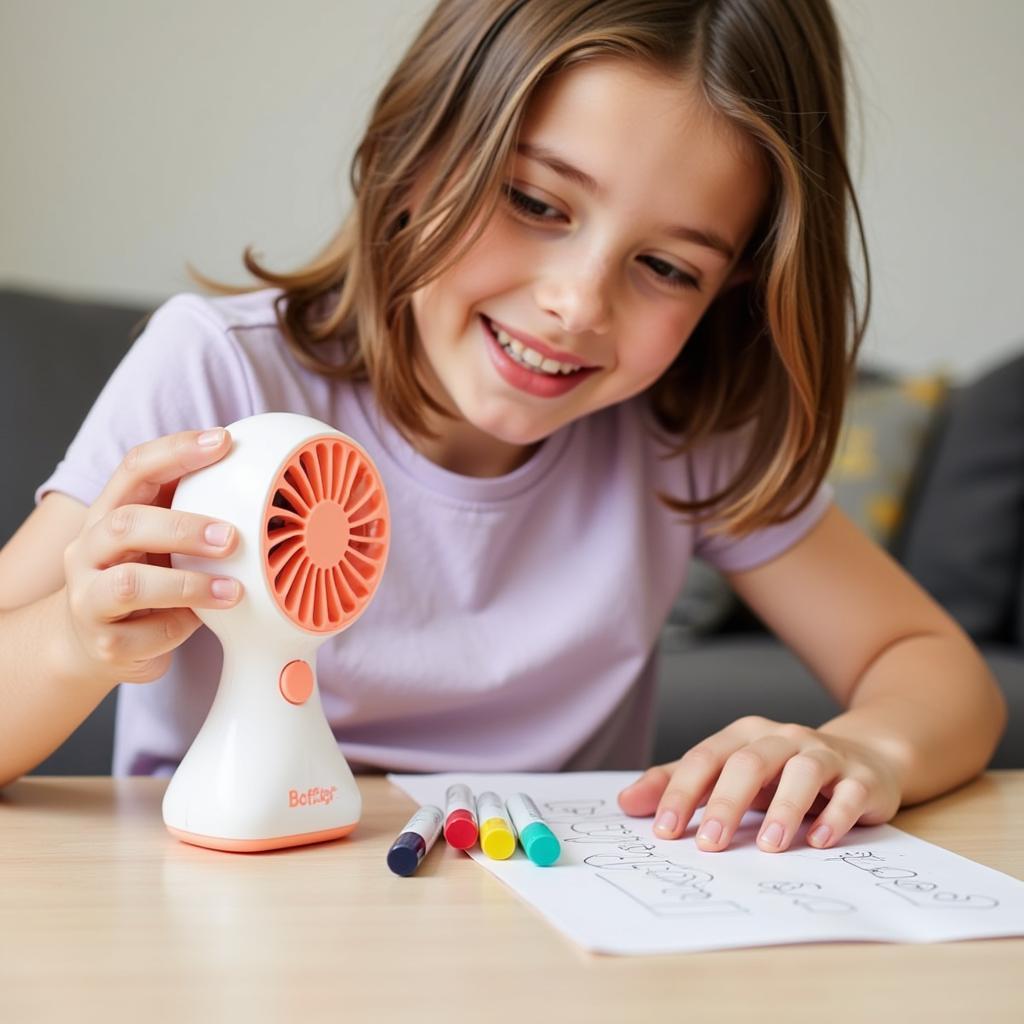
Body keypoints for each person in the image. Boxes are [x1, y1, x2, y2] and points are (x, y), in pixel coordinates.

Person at [0, 0, 1006, 854]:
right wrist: (72, 643)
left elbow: (933, 666)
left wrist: (868, 749)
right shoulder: (217, 373)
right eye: (534, 200)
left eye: (668, 268)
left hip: (545, 920)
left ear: (732, 290)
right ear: (418, 147)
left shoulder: (686, 429)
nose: (577, 302)